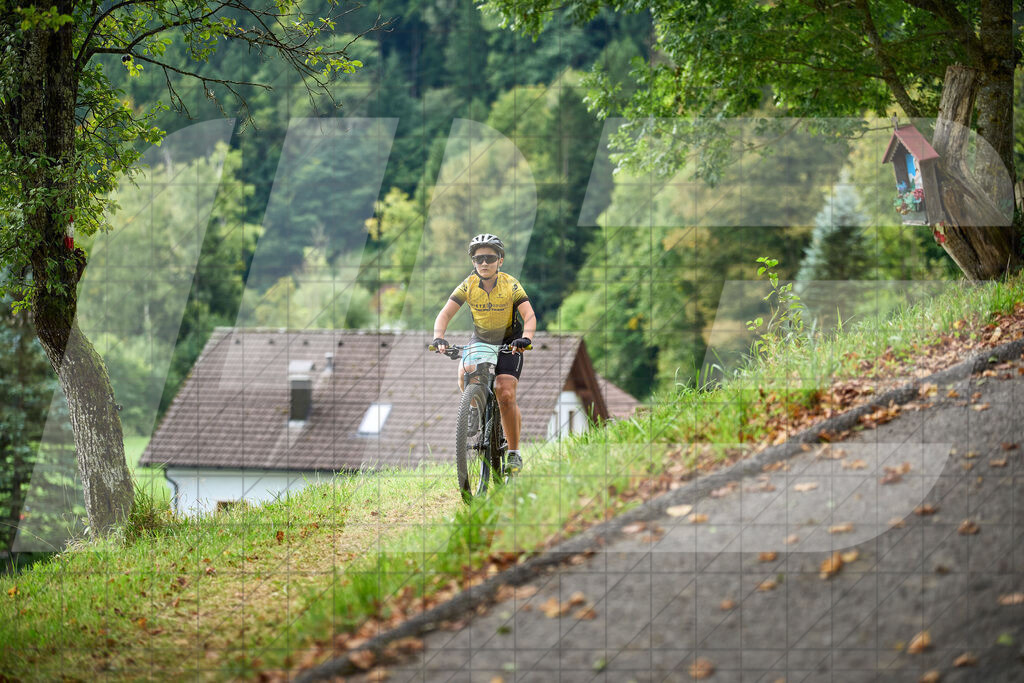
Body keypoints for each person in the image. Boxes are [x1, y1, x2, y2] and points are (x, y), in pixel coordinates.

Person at [432, 234, 536, 475]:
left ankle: (514, 453)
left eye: (490, 258)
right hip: (481, 339)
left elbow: (529, 315)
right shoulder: (468, 285)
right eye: (479, 259)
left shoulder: (511, 284)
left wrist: (526, 339)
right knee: (465, 370)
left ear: (500, 260)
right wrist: (439, 337)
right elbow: (445, 314)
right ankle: (474, 407)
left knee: (505, 391)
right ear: (473, 262)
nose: (484, 263)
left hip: (510, 341)